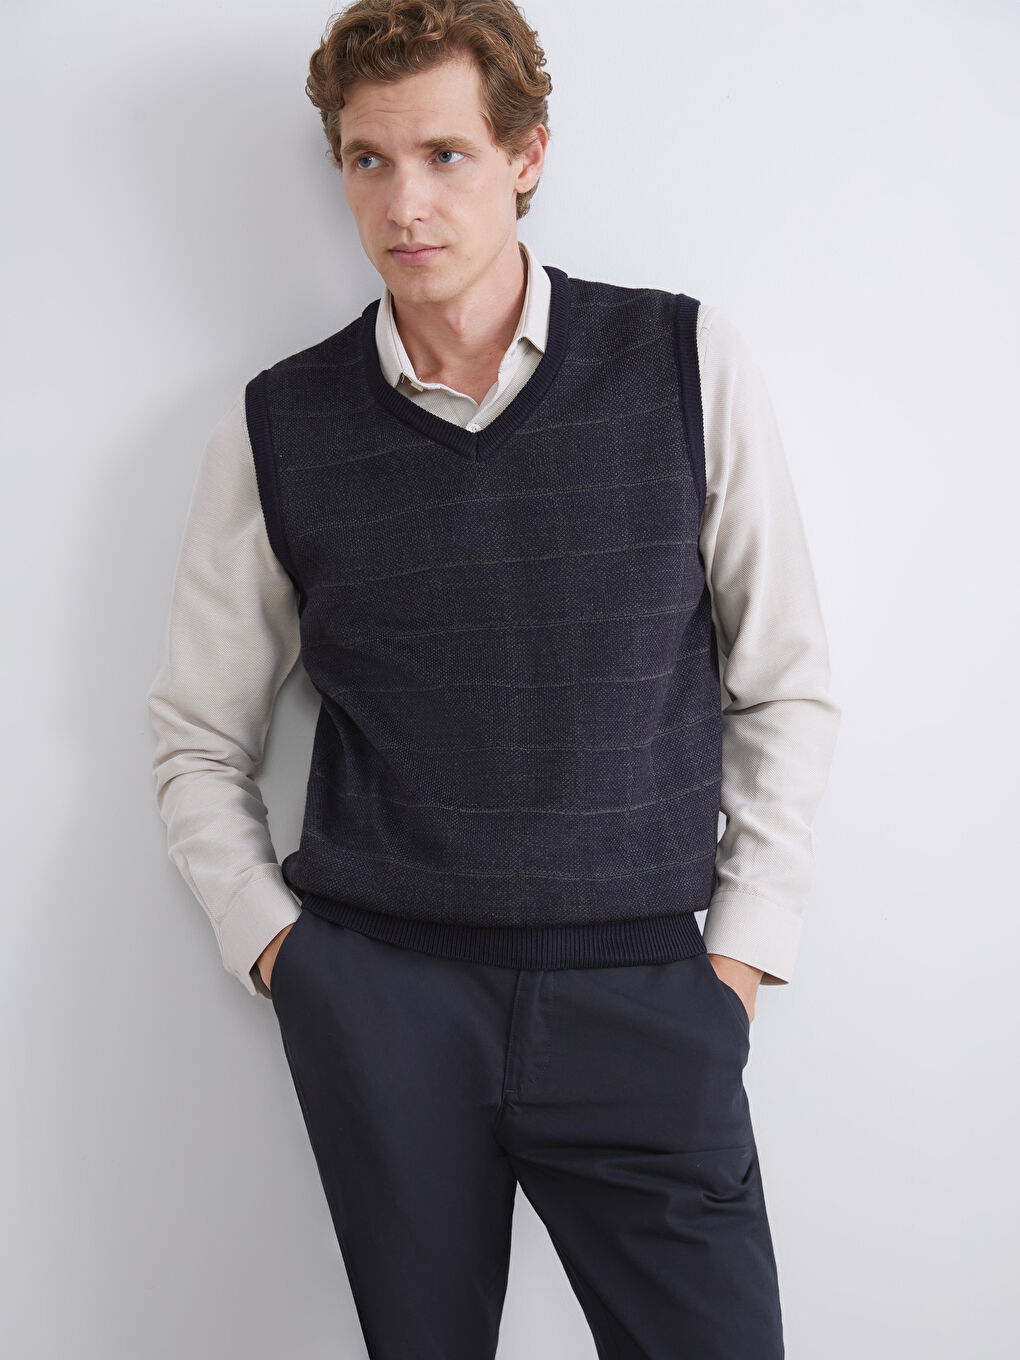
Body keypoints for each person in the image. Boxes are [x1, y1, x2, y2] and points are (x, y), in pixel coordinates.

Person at [146, 2, 841, 1355]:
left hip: (644, 993)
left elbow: (785, 682)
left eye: (446, 155)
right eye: (368, 160)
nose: (404, 203)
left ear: (526, 156)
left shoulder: (682, 362)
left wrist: (740, 961)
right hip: (385, 1001)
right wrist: (287, 958)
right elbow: (195, 736)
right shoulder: (279, 422)